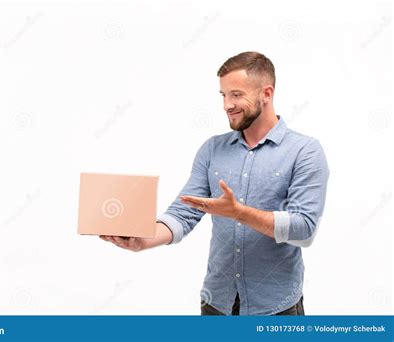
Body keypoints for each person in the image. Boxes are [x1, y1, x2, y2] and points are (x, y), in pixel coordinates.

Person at [100, 51, 329, 316]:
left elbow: (305, 229)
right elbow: (184, 212)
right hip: (216, 304)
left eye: (236, 94)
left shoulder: (305, 151)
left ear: (267, 93)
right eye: (223, 95)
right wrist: (143, 239)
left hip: (276, 309)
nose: (227, 105)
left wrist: (239, 213)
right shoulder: (212, 150)